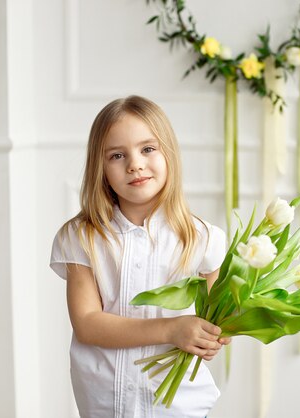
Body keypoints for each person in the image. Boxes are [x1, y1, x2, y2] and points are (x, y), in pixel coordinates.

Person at [49, 95, 230, 418]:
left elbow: (222, 320)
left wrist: (213, 336)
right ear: (100, 169)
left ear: (169, 154)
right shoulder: (81, 237)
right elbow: (88, 324)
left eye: (148, 149)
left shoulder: (203, 239)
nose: (134, 164)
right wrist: (171, 329)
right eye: (117, 155)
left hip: (178, 408)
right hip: (105, 405)